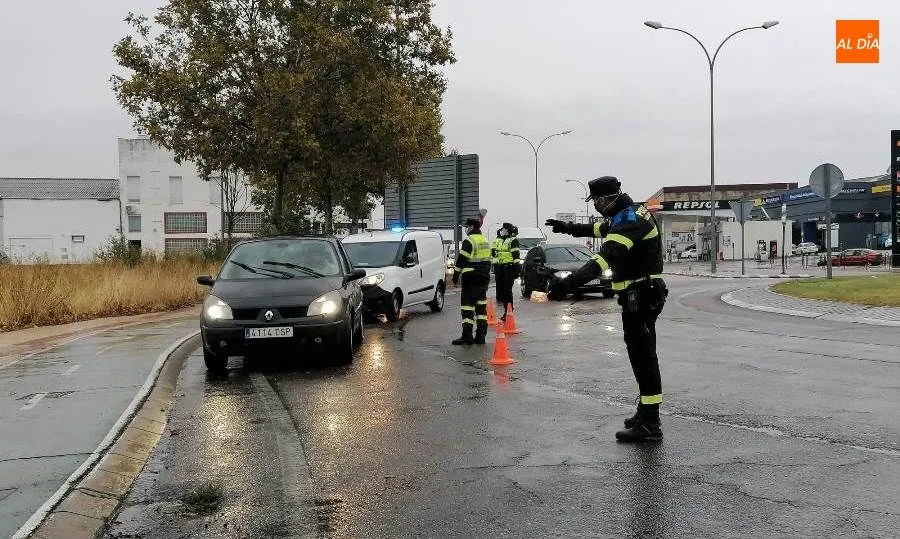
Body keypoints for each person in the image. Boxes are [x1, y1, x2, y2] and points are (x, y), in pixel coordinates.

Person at [544, 176, 668, 442]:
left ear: (607, 198)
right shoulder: (624, 214)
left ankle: (650, 423)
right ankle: (645, 412)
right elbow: (596, 230)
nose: (596, 207)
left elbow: (605, 257)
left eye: (597, 202)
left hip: (642, 294)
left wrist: (570, 283)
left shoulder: (629, 219)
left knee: (644, 357)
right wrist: (566, 227)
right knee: (639, 355)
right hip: (637, 294)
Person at [451, 218, 492, 345]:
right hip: (483, 279)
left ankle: (467, 336)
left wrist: (455, 276)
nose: (466, 229)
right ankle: (480, 337)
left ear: (472, 227)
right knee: (481, 309)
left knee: (467, 308)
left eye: (467, 226)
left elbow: (461, 260)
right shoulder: (485, 241)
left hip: (471, 279)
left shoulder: (469, 241)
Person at [493, 223, 521, 320]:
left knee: (507, 291)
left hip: (509, 268)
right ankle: (507, 310)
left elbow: (516, 256)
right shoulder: (499, 240)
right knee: (501, 292)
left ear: (508, 230)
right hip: (500, 268)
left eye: (504, 229)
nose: (502, 230)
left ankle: (508, 311)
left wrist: (517, 270)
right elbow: (495, 253)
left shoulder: (513, 240)